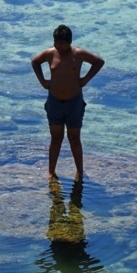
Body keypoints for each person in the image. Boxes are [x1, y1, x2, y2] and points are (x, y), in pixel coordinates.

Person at [30, 24, 104, 179]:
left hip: (74, 102)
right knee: (56, 138)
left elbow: (99, 62)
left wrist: (85, 79)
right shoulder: (50, 54)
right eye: (56, 43)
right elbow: (35, 62)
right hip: (55, 101)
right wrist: (43, 81)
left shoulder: (78, 54)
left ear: (69, 42)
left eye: (62, 44)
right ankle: (51, 172)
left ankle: (80, 172)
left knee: (74, 138)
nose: (58, 46)